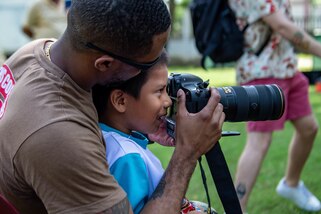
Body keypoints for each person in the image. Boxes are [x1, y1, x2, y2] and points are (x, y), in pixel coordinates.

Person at [0, 0, 225, 213]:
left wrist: (141, 124)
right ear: (105, 63)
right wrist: (187, 152)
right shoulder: (58, 132)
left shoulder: (35, 53)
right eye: (146, 64)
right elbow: (59, 132)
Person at [92, 51, 217, 214]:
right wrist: (188, 149)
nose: (167, 101)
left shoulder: (104, 137)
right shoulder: (128, 158)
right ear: (120, 101)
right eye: (159, 91)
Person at [228, 0, 321, 212]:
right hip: (261, 74)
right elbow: (283, 26)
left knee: (308, 128)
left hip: (287, 68)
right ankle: (236, 208)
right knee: (258, 142)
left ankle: (291, 184)